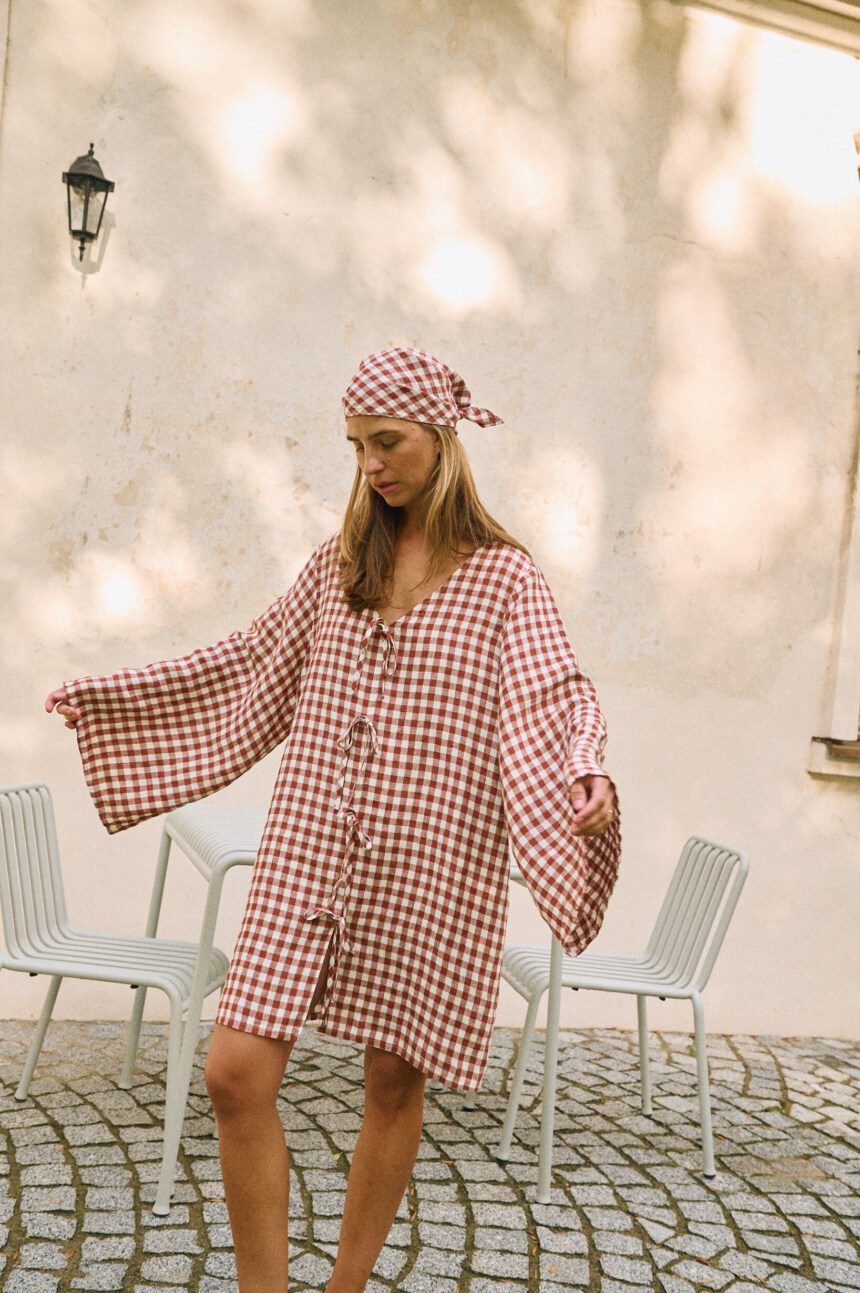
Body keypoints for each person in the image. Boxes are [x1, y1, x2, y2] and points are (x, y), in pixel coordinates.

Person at [46, 345, 621, 1293]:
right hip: (309, 845)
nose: (370, 465)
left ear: (440, 435)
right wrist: (113, 701)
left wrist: (583, 766)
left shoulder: (506, 580)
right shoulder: (340, 565)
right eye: (355, 446)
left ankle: (344, 1288)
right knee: (234, 1070)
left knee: (393, 1081)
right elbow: (245, 665)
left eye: (385, 442)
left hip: (431, 860)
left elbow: (557, 692)